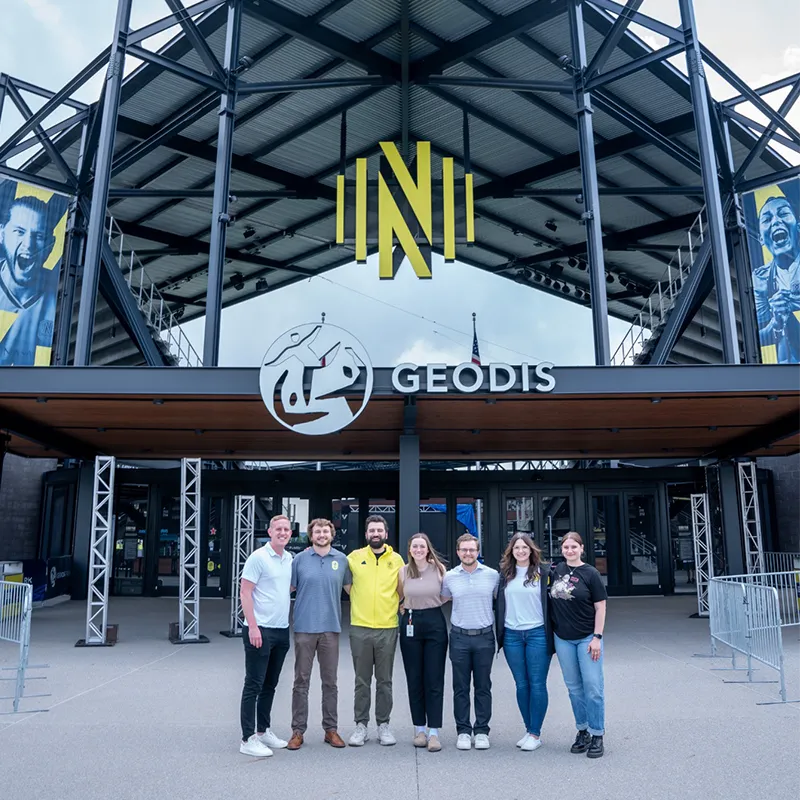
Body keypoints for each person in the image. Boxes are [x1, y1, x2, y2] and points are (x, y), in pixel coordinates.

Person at [286, 518, 352, 751]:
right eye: (317, 532)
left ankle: (330, 730)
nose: (322, 535)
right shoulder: (299, 560)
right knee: (301, 681)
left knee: (330, 682)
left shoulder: (342, 560)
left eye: (326, 531)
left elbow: (352, 591)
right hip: (304, 628)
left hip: (330, 629)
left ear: (332, 535)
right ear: (311, 535)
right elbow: (286, 589)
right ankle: (297, 731)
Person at [346, 514, 405, 746]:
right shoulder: (354, 557)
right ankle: (361, 725)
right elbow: (347, 586)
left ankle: (383, 725)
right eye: (372, 530)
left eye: (379, 530)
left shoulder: (397, 559)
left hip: (387, 628)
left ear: (386, 534)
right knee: (361, 681)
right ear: (366, 534)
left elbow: (402, 590)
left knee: (384, 680)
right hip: (360, 627)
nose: (376, 534)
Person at [238, 515, 293, 758]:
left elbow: (285, 588)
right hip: (260, 630)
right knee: (254, 684)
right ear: (270, 531)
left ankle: (263, 731)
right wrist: (253, 627)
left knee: (270, 685)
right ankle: (247, 738)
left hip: (281, 630)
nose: (283, 532)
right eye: (278, 529)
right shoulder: (258, 557)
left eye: (287, 529)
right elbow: (245, 592)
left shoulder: (289, 558)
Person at [549, 531, 608, 759]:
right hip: (563, 639)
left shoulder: (590, 573)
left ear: (581, 548)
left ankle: (597, 733)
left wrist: (597, 637)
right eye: (566, 547)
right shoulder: (556, 571)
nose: (570, 550)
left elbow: (600, 607)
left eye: (574, 547)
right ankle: (582, 730)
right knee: (574, 688)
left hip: (587, 638)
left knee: (593, 687)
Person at [495, 532, 554, 752]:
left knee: (537, 683)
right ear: (511, 551)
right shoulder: (504, 575)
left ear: (531, 550)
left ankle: (535, 733)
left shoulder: (544, 573)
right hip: (512, 635)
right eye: (516, 548)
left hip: (537, 633)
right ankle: (529, 729)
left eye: (525, 548)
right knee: (521, 684)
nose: (521, 551)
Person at [442, 533, 499, 751]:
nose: (468, 553)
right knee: (460, 687)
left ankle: (482, 730)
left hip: (485, 637)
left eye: (472, 550)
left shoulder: (492, 575)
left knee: (483, 686)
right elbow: (442, 598)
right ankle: (464, 731)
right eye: (464, 550)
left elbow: (499, 600)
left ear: (477, 551)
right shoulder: (449, 577)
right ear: (458, 552)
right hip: (459, 638)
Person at [397, 533, 449, 752]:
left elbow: (446, 595)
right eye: (414, 546)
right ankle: (419, 729)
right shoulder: (402, 571)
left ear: (428, 549)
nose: (418, 550)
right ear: (409, 549)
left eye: (422, 546)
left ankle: (434, 731)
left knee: (434, 678)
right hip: (410, 621)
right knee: (415, 677)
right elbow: (401, 594)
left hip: (434, 621)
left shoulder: (439, 570)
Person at [0, 193, 60, 366]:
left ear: (52, 244)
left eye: (39, 236)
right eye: (19, 232)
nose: (29, 244)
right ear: (2, 234)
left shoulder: (60, 296)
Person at [752, 195, 800, 363]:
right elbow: (756, 337)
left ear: (798, 226)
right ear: (761, 239)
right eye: (767, 219)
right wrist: (776, 322)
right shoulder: (761, 279)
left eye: (783, 213)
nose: (775, 222)